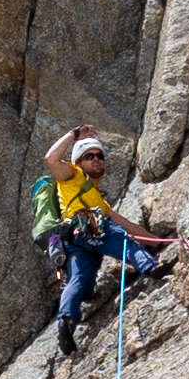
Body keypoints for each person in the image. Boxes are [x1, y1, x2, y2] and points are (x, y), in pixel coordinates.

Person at [30, 127, 160, 352]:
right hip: (86, 228)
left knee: (80, 280)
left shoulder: (99, 199)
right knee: (123, 242)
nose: (96, 160)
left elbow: (128, 224)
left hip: (75, 239)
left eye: (99, 156)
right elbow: (51, 159)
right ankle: (151, 267)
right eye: (89, 156)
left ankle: (67, 321)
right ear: (79, 162)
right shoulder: (72, 176)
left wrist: (157, 242)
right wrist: (74, 134)